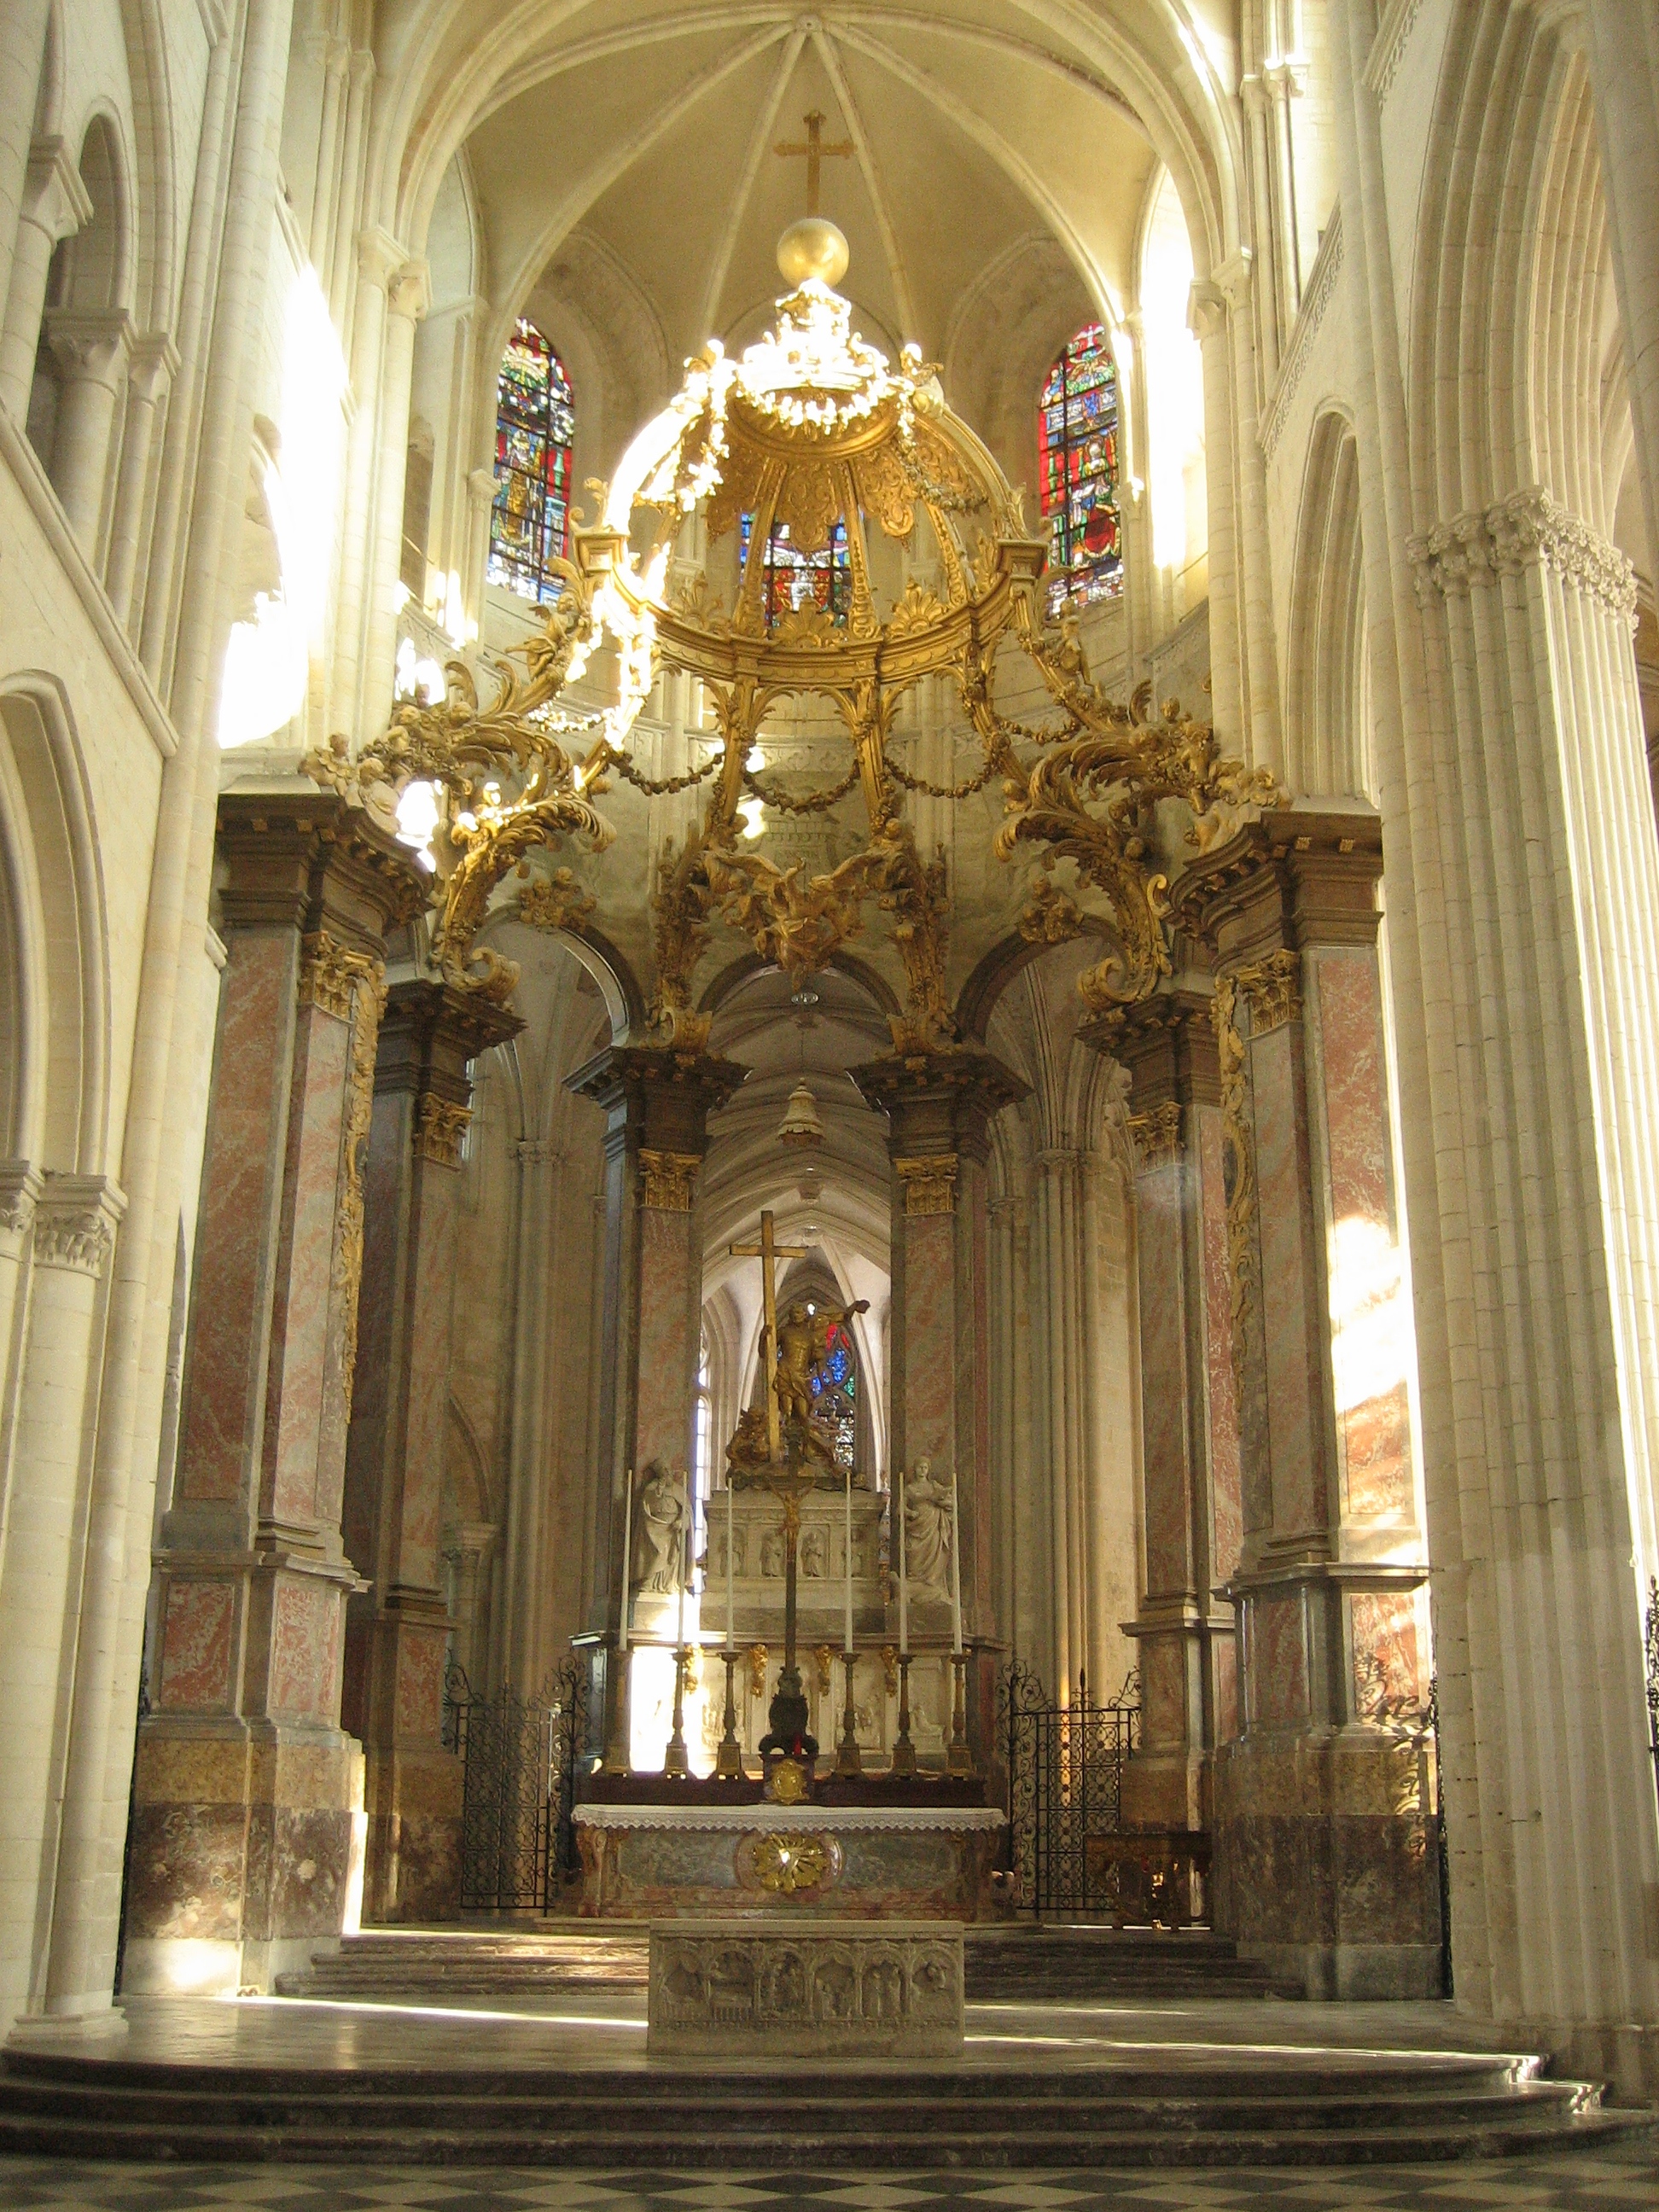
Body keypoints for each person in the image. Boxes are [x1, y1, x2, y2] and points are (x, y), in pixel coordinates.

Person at [632, 1463, 688, 1594]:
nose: (667, 1474)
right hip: (655, 1526)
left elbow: (687, 1512)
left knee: (670, 1558)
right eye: (664, 1472)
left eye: (668, 1472)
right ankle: (649, 1582)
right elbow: (647, 1504)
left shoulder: (679, 1490)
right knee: (655, 1554)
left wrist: (681, 1522)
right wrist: (658, 1492)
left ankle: (669, 1583)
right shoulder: (652, 1488)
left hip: (673, 1528)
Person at [903, 1458, 954, 1598]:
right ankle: (914, 1583)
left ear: (928, 1470)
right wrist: (910, 1512)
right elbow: (900, 1508)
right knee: (914, 1556)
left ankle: (932, 1583)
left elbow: (950, 1503)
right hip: (917, 1525)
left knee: (936, 1553)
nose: (922, 1470)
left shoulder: (934, 1486)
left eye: (925, 1467)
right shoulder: (910, 1488)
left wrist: (940, 1502)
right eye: (920, 1467)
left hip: (934, 1524)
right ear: (915, 1469)